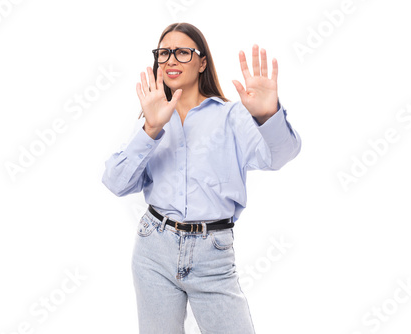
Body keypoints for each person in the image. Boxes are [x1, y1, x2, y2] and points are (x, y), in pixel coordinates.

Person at [102, 22, 301, 334]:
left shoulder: (231, 116)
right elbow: (116, 182)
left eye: (182, 52)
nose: (170, 60)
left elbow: (280, 156)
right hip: (154, 249)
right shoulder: (153, 118)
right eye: (164, 53)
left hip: (213, 254)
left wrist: (267, 115)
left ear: (202, 61)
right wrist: (151, 129)